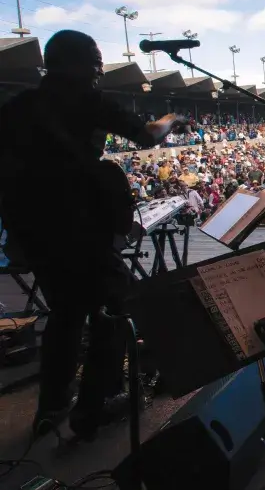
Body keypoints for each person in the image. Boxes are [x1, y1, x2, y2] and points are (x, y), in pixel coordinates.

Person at [0, 30, 185, 439]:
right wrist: (173, 117)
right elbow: (147, 135)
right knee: (116, 308)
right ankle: (95, 404)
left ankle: (51, 409)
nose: (101, 69)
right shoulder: (87, 101)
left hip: (34, 233)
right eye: (95, 60)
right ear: (78, 64)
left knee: (65, 315)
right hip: (79, 228)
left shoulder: (17, 107)